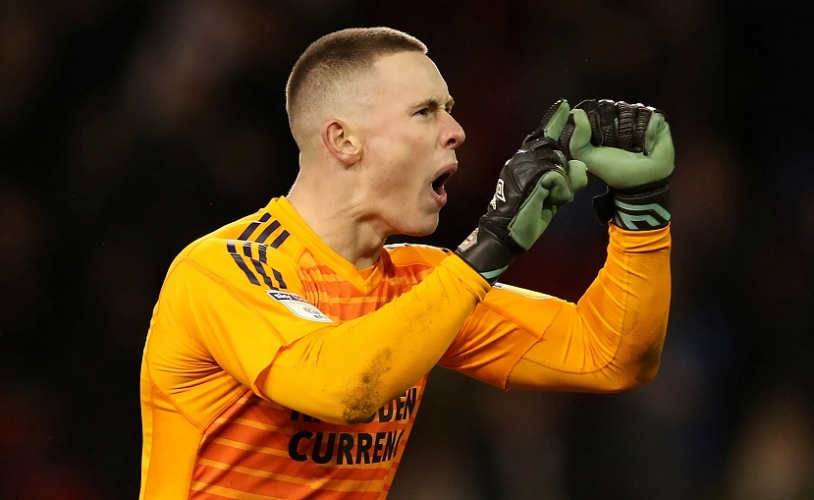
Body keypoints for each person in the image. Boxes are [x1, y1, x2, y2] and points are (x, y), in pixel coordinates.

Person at [139, 26, 674, 499]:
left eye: (449, 109)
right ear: (343, 140)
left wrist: (642, 215)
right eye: (425, 112)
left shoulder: (420, 283)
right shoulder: (223, 269)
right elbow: (341, 387)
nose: (455, 130)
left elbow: (609, 356)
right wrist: (488, 248)